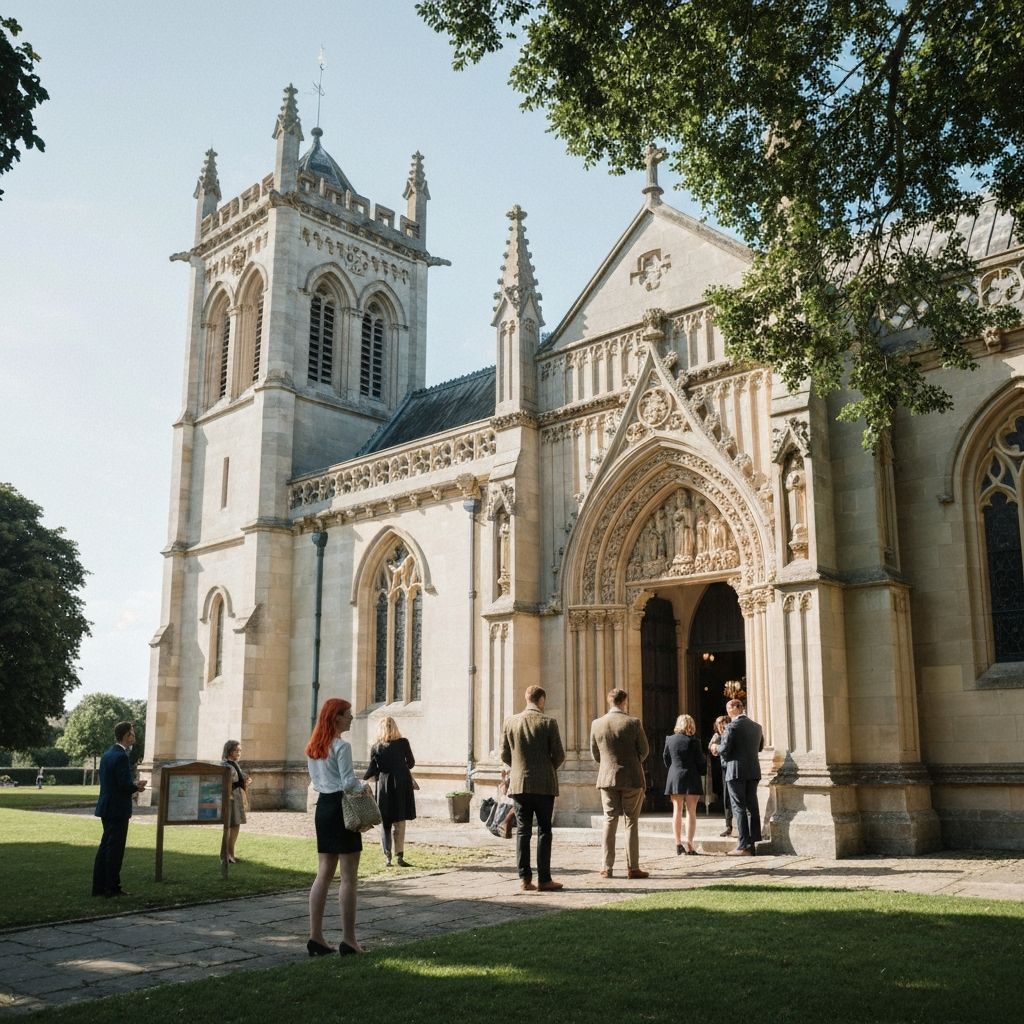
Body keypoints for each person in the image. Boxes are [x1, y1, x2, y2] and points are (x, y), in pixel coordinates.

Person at [305, 697, 371, 956]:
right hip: (342, 808)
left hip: (323, 808)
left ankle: (316, 936)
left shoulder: (313, 748)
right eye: (347, 714)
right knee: (348, 877)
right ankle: (349, 939)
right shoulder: (341, 747)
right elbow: (348, 783)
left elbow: (318, 781)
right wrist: (365, 787)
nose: (351, 718)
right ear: (335, 718)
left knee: (323, 873)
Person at [500, 685, 565, 892]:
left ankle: (525, 879)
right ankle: (545, 879)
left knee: (523, 832)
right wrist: (547, 768)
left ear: (526, 698)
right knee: (544, 831)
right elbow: (560, 755)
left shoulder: (510, 721)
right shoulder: (548, 722)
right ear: (542, 700)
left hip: (520, 785)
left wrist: (518, 768)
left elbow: (504, 754)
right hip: (544, 785)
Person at [589, 688, 650, 879]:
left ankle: (606, 867)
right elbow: (645, 750)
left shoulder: (597, 724)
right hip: (632, 777)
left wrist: (609, 765)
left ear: (610, 702)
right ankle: (633, 867)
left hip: (607, 778)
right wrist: (632, 761)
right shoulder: (633, 723)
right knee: (631, 821)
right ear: (625, 702)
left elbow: (595, 754)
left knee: (610, 820)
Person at [92, 721, 147, 898]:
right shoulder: (122, 756)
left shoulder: (108, 754)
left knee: (105, 848)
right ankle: (112, 887)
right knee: (115, 850)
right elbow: (123, 784)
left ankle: (99, 886)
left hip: (106, 806)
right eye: (132, 733)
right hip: (117, 808)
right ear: (126, 736)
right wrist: (136, 786)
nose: (134, 736)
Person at [363, 716, 417, 867]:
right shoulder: (403, 743)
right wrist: (400, 766)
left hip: (384, 785)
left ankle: (387, 857)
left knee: (385, 821)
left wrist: (362, 780)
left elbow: (373, 769)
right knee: (400, 820)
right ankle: (400, 855)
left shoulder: (376, 747)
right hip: (401, 783)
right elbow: (411, 763)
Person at [718, 698, 765, 856]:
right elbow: (760, 747)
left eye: (727, 709)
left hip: (735, 771)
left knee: (739, 807)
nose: (727, 712)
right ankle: (753, 842)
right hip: (753, 770)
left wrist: (714, 747)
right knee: (752, 807)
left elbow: (724, 749)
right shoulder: (757, 727)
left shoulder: (731, 727)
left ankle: (743, 845)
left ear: (733, 708)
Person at [663, 714, 706, 856]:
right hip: (692, 776)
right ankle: (690, 844)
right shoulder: (694, 742)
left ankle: (677, 843)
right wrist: (702, 771)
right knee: (691, 812)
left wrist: (674, 769)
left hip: (675, 776)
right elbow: (700, 761)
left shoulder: (669, 739)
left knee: (677, 810)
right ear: (691, 725)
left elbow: (666, 759)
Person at [221, 740, 251, 864]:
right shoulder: (227, 765)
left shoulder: (233, 764)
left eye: (240, 750)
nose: (239, 753)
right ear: (229, 751)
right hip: (231, 798)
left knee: (235, 826)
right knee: (229, 827)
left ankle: (231, 854)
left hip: (236, 797)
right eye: (236, 750)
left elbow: (239, 778)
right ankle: (226, 855)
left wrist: (245, 779)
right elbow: (228, 782)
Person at [708, 714, 734, 838]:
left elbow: (721, 749)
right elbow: (711, 747)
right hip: (723, 768)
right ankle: (728, 826)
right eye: (719, 725)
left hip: (733, 767)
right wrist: (715, 746)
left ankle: (735, 826)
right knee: (726, 798)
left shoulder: (731, 733)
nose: (721, 727)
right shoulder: (717, 735)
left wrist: (716, 748)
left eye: (723, 724)